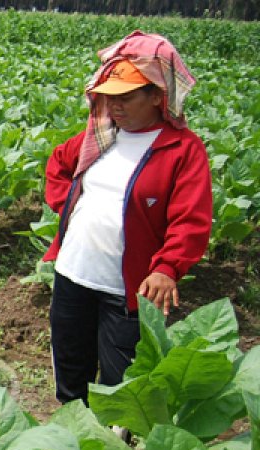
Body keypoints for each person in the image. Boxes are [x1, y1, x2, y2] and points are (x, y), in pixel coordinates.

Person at [43, 31, 212, 406]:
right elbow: (58, 165)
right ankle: (76, 443)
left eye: (126, 96)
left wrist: (167, 268)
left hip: (128, 291)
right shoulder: (101, 136)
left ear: (157, 96)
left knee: (124, 384)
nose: (115, 106)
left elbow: (191, 220)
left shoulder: (182, 150)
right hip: (73, 273)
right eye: (110, 96)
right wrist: (67, 208)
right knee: (71, 368)